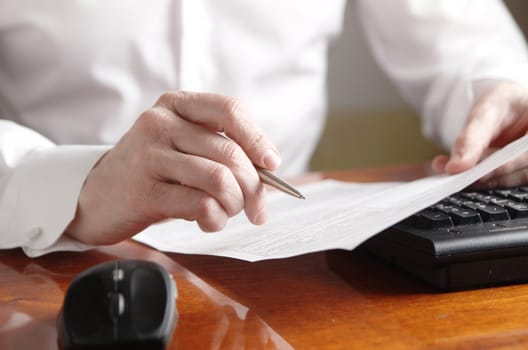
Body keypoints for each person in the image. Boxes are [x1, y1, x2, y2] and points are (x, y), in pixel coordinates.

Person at [1, 0, 528, 257]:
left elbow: (461, 33)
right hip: (46, 256)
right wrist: (72, 182)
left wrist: (501, 96)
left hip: (288, 262)